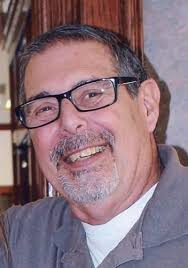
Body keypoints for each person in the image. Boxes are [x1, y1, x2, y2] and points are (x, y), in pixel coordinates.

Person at [2, 24, 188, 268]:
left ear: (147, 106)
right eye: (44, 108)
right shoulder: (20, 237)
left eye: (91, 94)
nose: (68, 122)